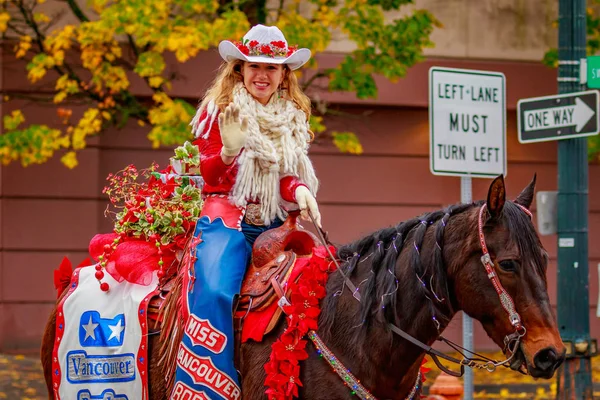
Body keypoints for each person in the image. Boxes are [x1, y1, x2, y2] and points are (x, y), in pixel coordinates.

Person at [171, 24, 321, 400]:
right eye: (254, 65)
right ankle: (206, 386)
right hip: (226, 215)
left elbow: (283, 175)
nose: (263, 74)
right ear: (239, 68)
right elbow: (209, 176)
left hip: (273, 219)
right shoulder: (219, 111)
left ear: (284, 74)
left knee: (319, 278)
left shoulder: (291, 118)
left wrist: (299, 188)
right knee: (217, 287)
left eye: (272, 68)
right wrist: (225, 153)